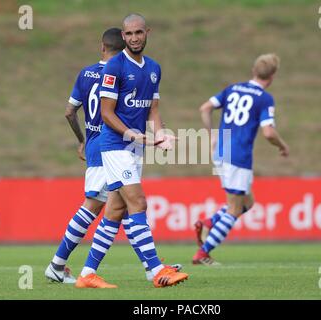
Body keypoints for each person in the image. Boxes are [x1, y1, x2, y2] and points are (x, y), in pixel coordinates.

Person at [45, 28, 181, 284]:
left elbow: (69, 111)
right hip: (110, 144)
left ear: (102, 46)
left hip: (99, 141)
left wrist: (81, 140)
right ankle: (58, 263)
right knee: (99, 206)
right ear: (124, 45)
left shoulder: (86, 73)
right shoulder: (119, 72)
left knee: (120, 208)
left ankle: (149, 266)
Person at [75, 14, 189, 289]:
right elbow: (106, 113)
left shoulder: (153, 69)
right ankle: (156, 270)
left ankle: (87, 274)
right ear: (123, 37)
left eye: (139, 32)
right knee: (138, 202)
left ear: (147, 32)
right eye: (129, 34)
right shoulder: (114, 66)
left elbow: (153, 110)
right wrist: (131, 134)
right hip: (114, 145)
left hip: (135, 147)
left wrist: (160, 134)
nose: (135, 37)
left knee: (115, 210)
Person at [192, 53, 290, 265]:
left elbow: (205, 108)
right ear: (272, 76)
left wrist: (211, 135)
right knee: (235, 209)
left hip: (221, 152)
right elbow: (269, 133)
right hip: (239, 157)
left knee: (247, 202)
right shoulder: (264, 98)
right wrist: (283, 146)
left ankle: (208, 222)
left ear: (254, 71)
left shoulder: (232, 89)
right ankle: (203, 253)